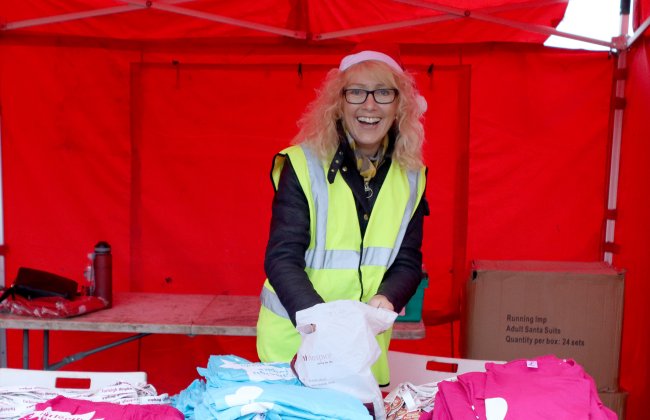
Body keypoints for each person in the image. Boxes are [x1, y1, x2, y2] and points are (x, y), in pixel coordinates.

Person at [256, 43, 428, 386]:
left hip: (364, 356)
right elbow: (282, 258)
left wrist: (388, 298)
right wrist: (324, 323)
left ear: (399, 107)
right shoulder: (302, 164)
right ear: (338, 105)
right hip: (294, 351)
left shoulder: (412, 175)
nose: (369, 104)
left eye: (383, 93)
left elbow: (408, 262)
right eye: (356, 92)